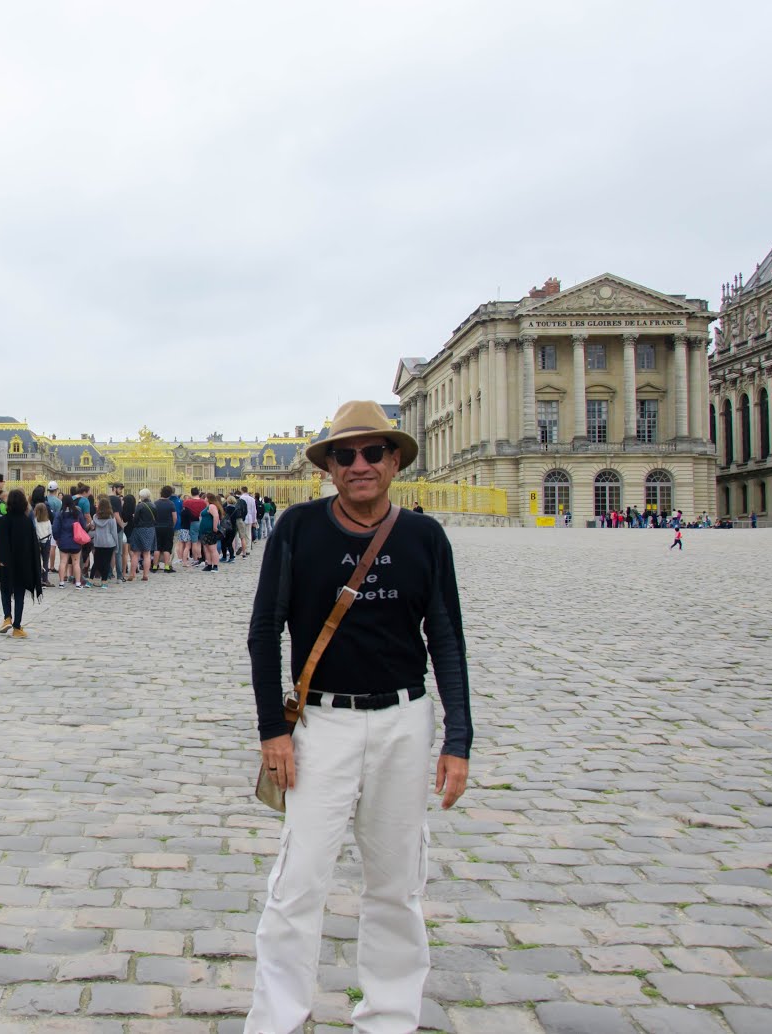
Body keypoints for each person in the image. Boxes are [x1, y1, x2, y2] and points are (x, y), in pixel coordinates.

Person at [246, 400, 471, 1034]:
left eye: (374, 452)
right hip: (321, 725)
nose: (361, 464)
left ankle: (389, 1020)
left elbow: (446, 640)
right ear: (331, 467)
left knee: (397, 886)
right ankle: (277, 1021)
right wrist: (274, 733)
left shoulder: (425, 537)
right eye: (346, 454)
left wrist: (460, 739)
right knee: (298, 884)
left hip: (405, 720)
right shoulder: (296, 528)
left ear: (395, 459)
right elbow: (265, 633)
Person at [0, 488, 41, 638]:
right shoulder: (27, 522)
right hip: (22, 564)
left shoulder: (3, 521)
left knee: (5, 591)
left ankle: (7, 618)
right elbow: (33, 546)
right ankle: (17, 627)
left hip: (6, 563)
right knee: (19, 594)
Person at [126, 488, 157, 581]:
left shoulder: (140, 506)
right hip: (150, 529)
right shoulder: (153, 505)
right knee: (147, 553)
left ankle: (132, 574)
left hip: (139, 529)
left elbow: (135, 520)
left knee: (136, 553)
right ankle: (145, 575)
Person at [90, 498, 120, 585]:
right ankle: (104, 581)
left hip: (98, 542)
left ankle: (91, 579)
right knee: (107, 562)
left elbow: (92, 526)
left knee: (96, 562)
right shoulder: (111, 518)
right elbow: (114, 532)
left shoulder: (95, 517)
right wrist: (116, 545)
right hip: (109, 542)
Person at [153, 486, 177, 573]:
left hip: (157, 527)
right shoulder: (171, 504)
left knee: (157, 547)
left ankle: (155, 566)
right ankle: (167, 567)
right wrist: (172, 525)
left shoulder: (155, 503)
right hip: (168, 527)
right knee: (167, 548)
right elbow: (174, 517)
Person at [33, 501, 54, 586]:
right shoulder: (48, 521)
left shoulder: (35, 521)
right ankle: (45, 579)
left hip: (37, 542)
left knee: (37, 561)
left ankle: (37, 579)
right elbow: (50, 532)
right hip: (46, 542)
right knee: (45, 561)